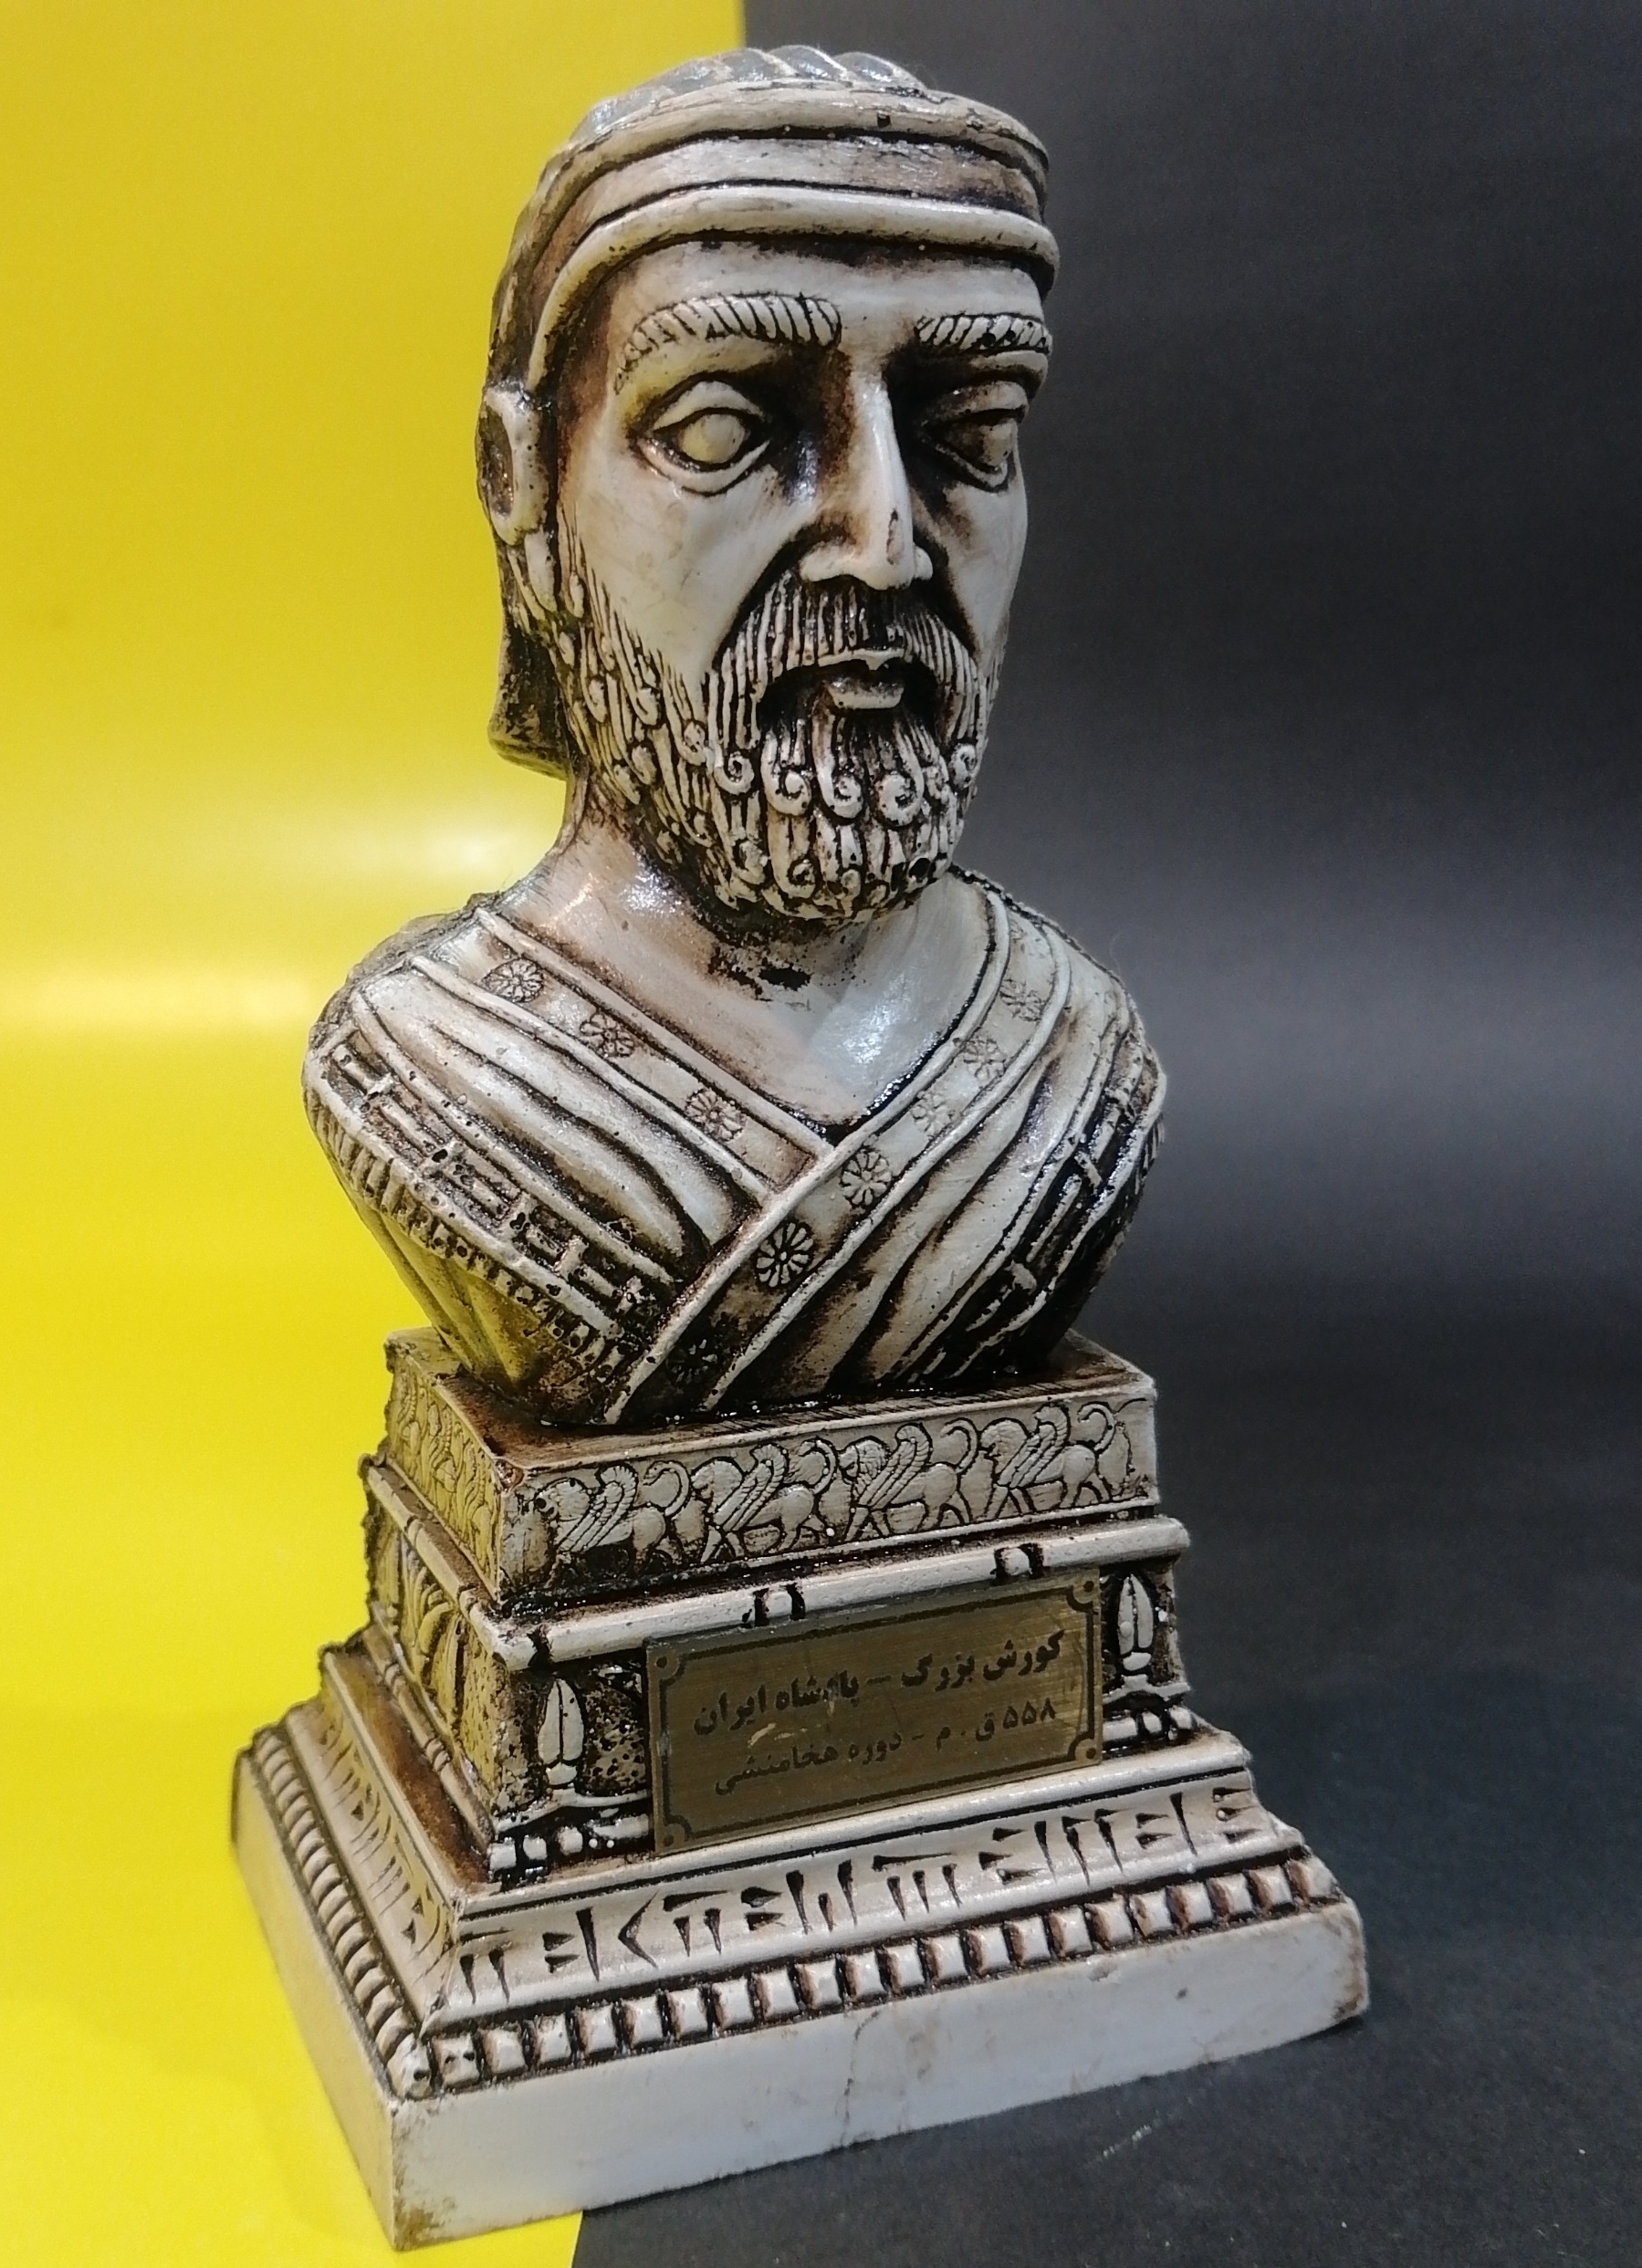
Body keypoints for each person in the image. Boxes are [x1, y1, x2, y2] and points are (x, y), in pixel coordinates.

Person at [308, 48, 1163, 1427]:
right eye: (722, 429)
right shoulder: (432, 1072)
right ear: (523, 492)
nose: (884, 541)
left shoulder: (1075, 1066)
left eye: (971, 431)